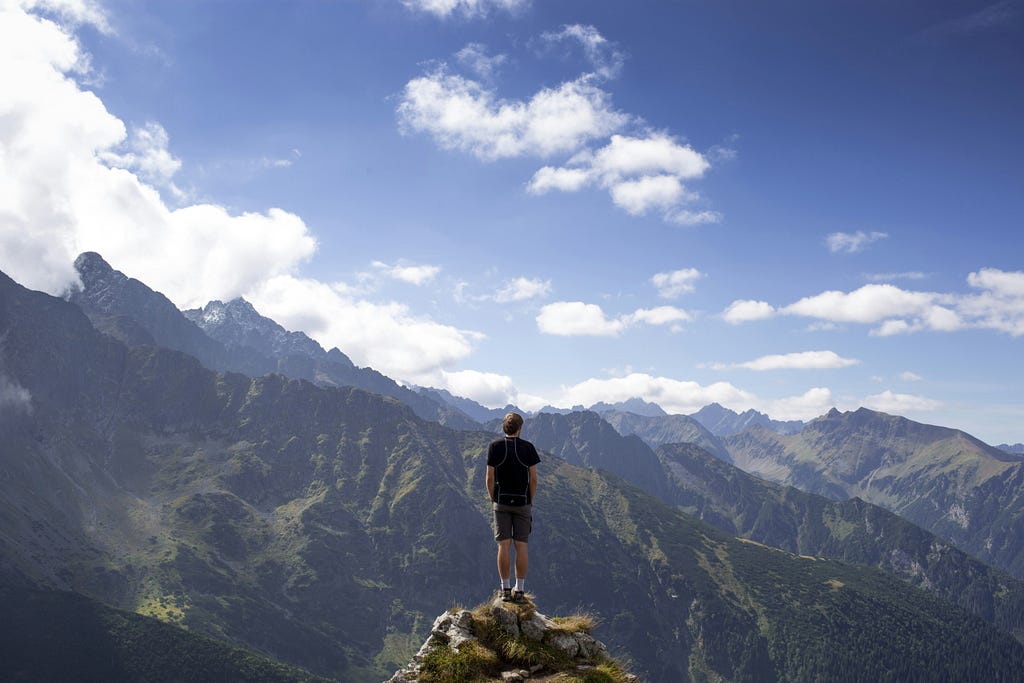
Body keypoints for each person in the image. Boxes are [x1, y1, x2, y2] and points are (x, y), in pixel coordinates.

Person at [486, 411, 540, 603]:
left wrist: (494, 499)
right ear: (520, 428)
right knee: (521, 546)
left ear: (504, 427)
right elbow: (533, 479)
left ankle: (505, 588)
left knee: (503, 545)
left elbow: (490, 478)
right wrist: (530, 500)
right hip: (522, 502)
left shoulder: (494, 447)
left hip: (501, 501)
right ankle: (520, 590)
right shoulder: (528, 448)